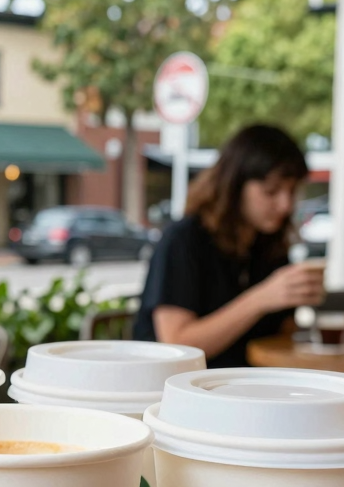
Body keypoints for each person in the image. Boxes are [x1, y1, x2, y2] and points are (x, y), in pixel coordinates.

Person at [135, 124, 324, 366]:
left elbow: (282, 335)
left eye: (292, 191)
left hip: (250, 388)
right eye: (271, 191)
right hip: (186, 392)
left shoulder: (269, 245)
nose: (286, 205)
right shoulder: (183, 240)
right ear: (235, 186)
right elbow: (177, 345)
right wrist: (261, 299)